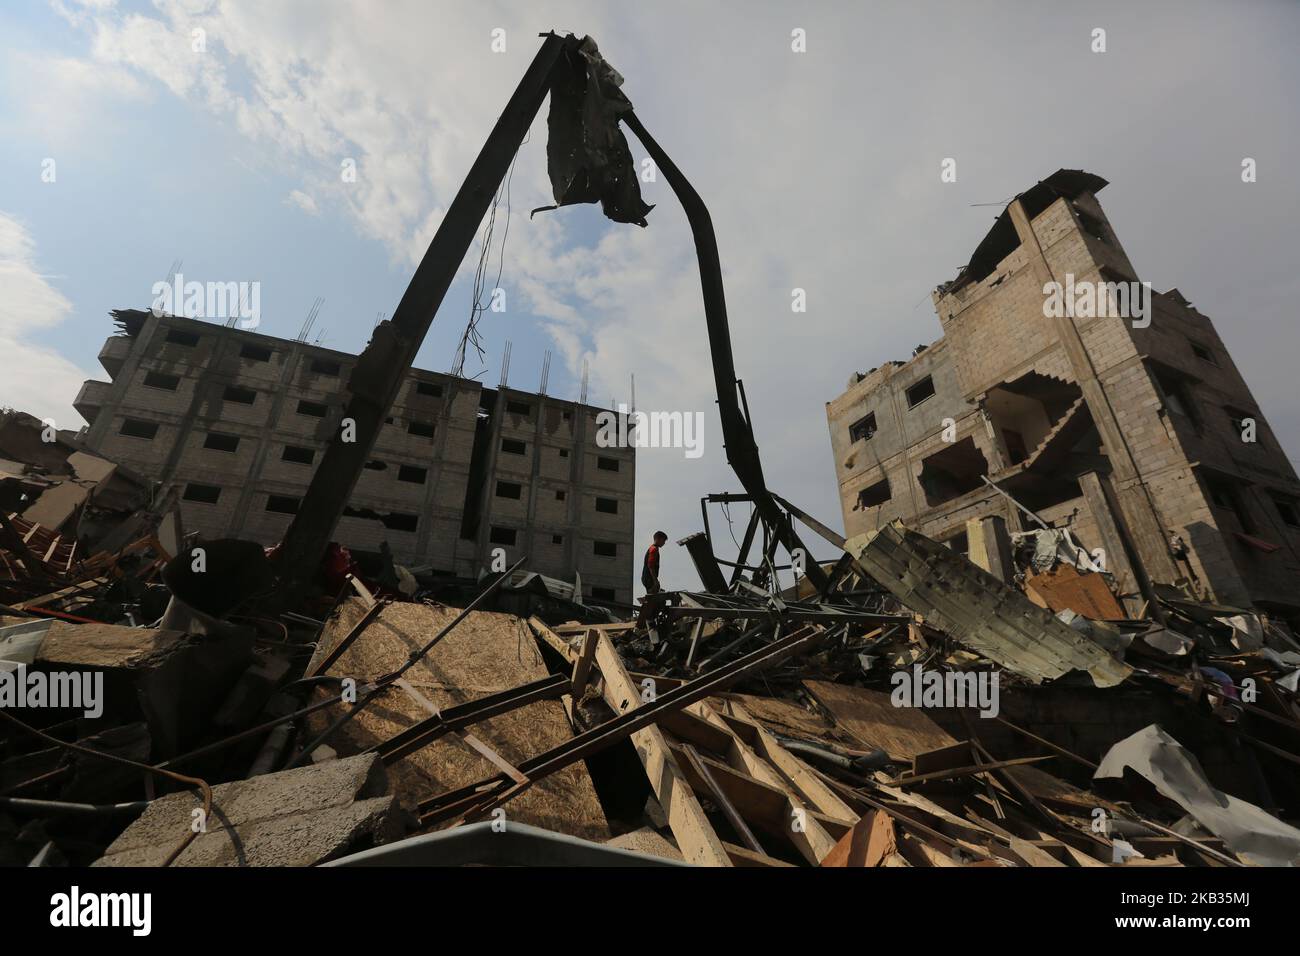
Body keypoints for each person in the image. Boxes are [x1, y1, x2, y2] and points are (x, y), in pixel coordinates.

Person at [642, 530, 668, 596]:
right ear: (657, 539)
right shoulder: (654, 549)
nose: (664, 543)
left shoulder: (653, 548)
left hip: (648, 578)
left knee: (654, 596)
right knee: (653, 597)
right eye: (663, 540)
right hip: (649, 579)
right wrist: (655, 581)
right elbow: (650, 566)